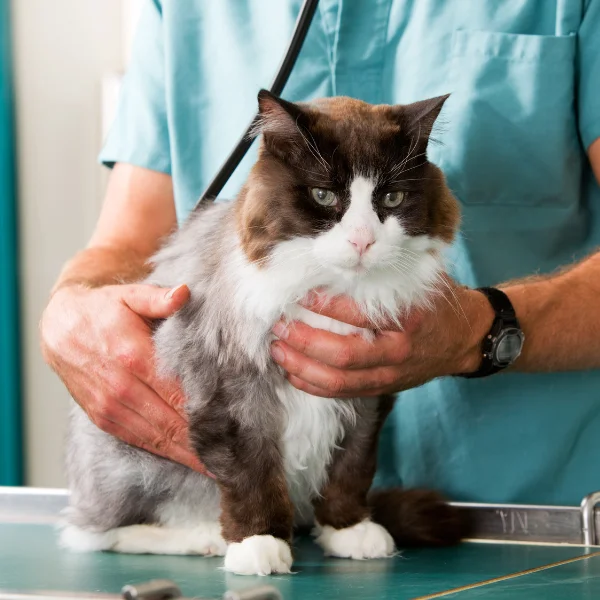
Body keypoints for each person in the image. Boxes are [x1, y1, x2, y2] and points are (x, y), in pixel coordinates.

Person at [41, 0, 600, 506]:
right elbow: (126, 245)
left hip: (526, 514)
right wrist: (70, 309)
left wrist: (481, 330)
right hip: (231, 514)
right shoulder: (181, 10)